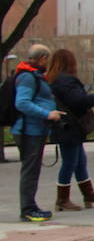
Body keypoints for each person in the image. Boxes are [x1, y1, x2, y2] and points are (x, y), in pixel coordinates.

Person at [44, 48, 94, 211]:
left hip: (65, 126)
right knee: (70, 163)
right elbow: (79, 101)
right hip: (70, 127)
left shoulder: (53, 79)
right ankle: (62, 199)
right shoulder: (67, 81)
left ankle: (88, 193)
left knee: (80, 161)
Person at [12, 44, 61, 223]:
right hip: (28, 130)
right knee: (30, 171)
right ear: (42, 58)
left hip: (35, 129)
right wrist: (47, 113)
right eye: (47, 59)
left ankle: (30, 206)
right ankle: (27, 209)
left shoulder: (35, 75)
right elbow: (22, 102)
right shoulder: (27, 76)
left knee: (32, 170)